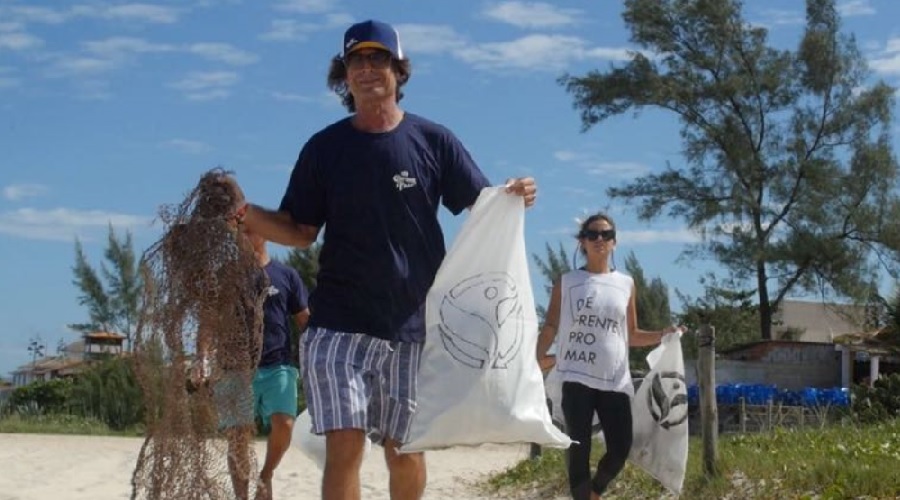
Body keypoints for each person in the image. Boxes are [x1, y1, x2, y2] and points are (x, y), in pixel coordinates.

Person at [230, 19, 537, 500]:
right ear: (344, 75)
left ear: (398, 71)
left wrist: (514, 195)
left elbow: (483, 206)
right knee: (345, 444)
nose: (367, 68)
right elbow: (300, 231)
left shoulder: (433, 141)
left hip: (411, 326)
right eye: (356, 60)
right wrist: (245, 215)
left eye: (378, 59)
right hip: (337, 323)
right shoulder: (324, 148)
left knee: (405, 450)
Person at [535, 213, 680, 500]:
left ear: (615, 241)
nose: (599, 239)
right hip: (576, 375)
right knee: (578, 447)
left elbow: (632, 334)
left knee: (620, 447)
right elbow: (551, 325)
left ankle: (594, 491)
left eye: (606, 234)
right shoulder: (567, 281)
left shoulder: (626, 283)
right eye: (592, 234)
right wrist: (537, 357)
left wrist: (664, 334)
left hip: (613, 378)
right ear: (582, 242)